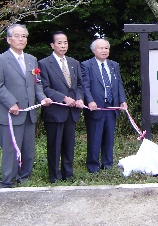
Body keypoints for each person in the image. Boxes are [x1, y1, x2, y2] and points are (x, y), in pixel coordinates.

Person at [0, 24, 52, 188]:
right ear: (9, 39)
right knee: (10, 149)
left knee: (28, 148)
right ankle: (8, 180)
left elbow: (37, 84)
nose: (21, 39)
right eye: (17, 36)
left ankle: (24, 177)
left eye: (23, 36)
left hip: (29, 112)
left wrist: (43, 98)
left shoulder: (31, 59)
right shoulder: (2, 59)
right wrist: (11, 103)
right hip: (10, 113)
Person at [38, 31, 84, 183]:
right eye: (59, 43)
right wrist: (64, 98)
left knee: (69, 144)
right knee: (54, 145)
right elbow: (45, 87)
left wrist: (79, 98)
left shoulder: (74, 63)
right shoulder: (44, 63)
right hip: (55, 111)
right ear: (52, 45)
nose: (63, 45)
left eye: (65, 42)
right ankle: (54, 175)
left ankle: (68, 174)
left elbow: (79, 85)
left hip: (72, 112)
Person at [81, 38, 127, 173]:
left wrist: (122, 100)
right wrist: (89, 101)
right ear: (94, 50)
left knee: (109, 138)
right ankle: (93, 166)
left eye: (106, 48)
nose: (104, 50)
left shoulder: (114, 65)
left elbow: (119, 84)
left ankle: (107, 164)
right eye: (101, 48)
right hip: (95, 107)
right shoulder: (86, 65)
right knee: (95, 138)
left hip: (111, 107)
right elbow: (85, 85)